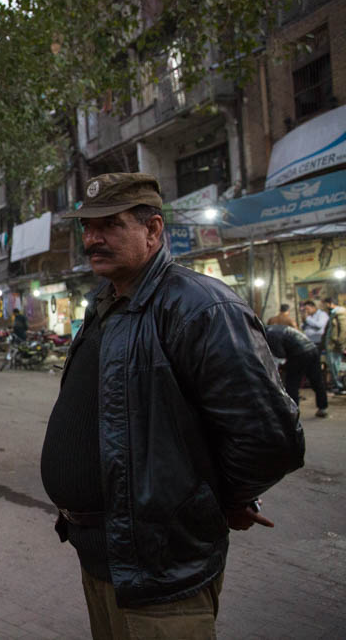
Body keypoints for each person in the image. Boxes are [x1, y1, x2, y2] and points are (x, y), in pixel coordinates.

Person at [41, 173, 304, 639]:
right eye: (87, 227)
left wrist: (218, 499)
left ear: (154, 230)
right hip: (105, 561)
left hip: (162, 573)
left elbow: (270, 437)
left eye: (110, 225)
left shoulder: (199, 307)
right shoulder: (105, 306)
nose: (92, 238)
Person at [265, 324, 329, 417]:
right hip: (312, 349)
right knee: (317, 380)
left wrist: (278, 367)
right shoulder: (278, 328)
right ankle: (323, 408)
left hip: (299, 354)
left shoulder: (270, 335)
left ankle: (293, 411)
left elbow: (280, 354)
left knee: (292, 383)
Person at [323, 296, 346, 395]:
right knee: (335, 366)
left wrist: (340, 343)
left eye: (326, 304)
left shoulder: (339, 313)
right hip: (333, 345)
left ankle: (341, 387)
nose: (325, 306)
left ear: (330, 303)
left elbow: (343, 330)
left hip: (334, 345)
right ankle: (339, 386)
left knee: (336, 366)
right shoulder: (334, 313)